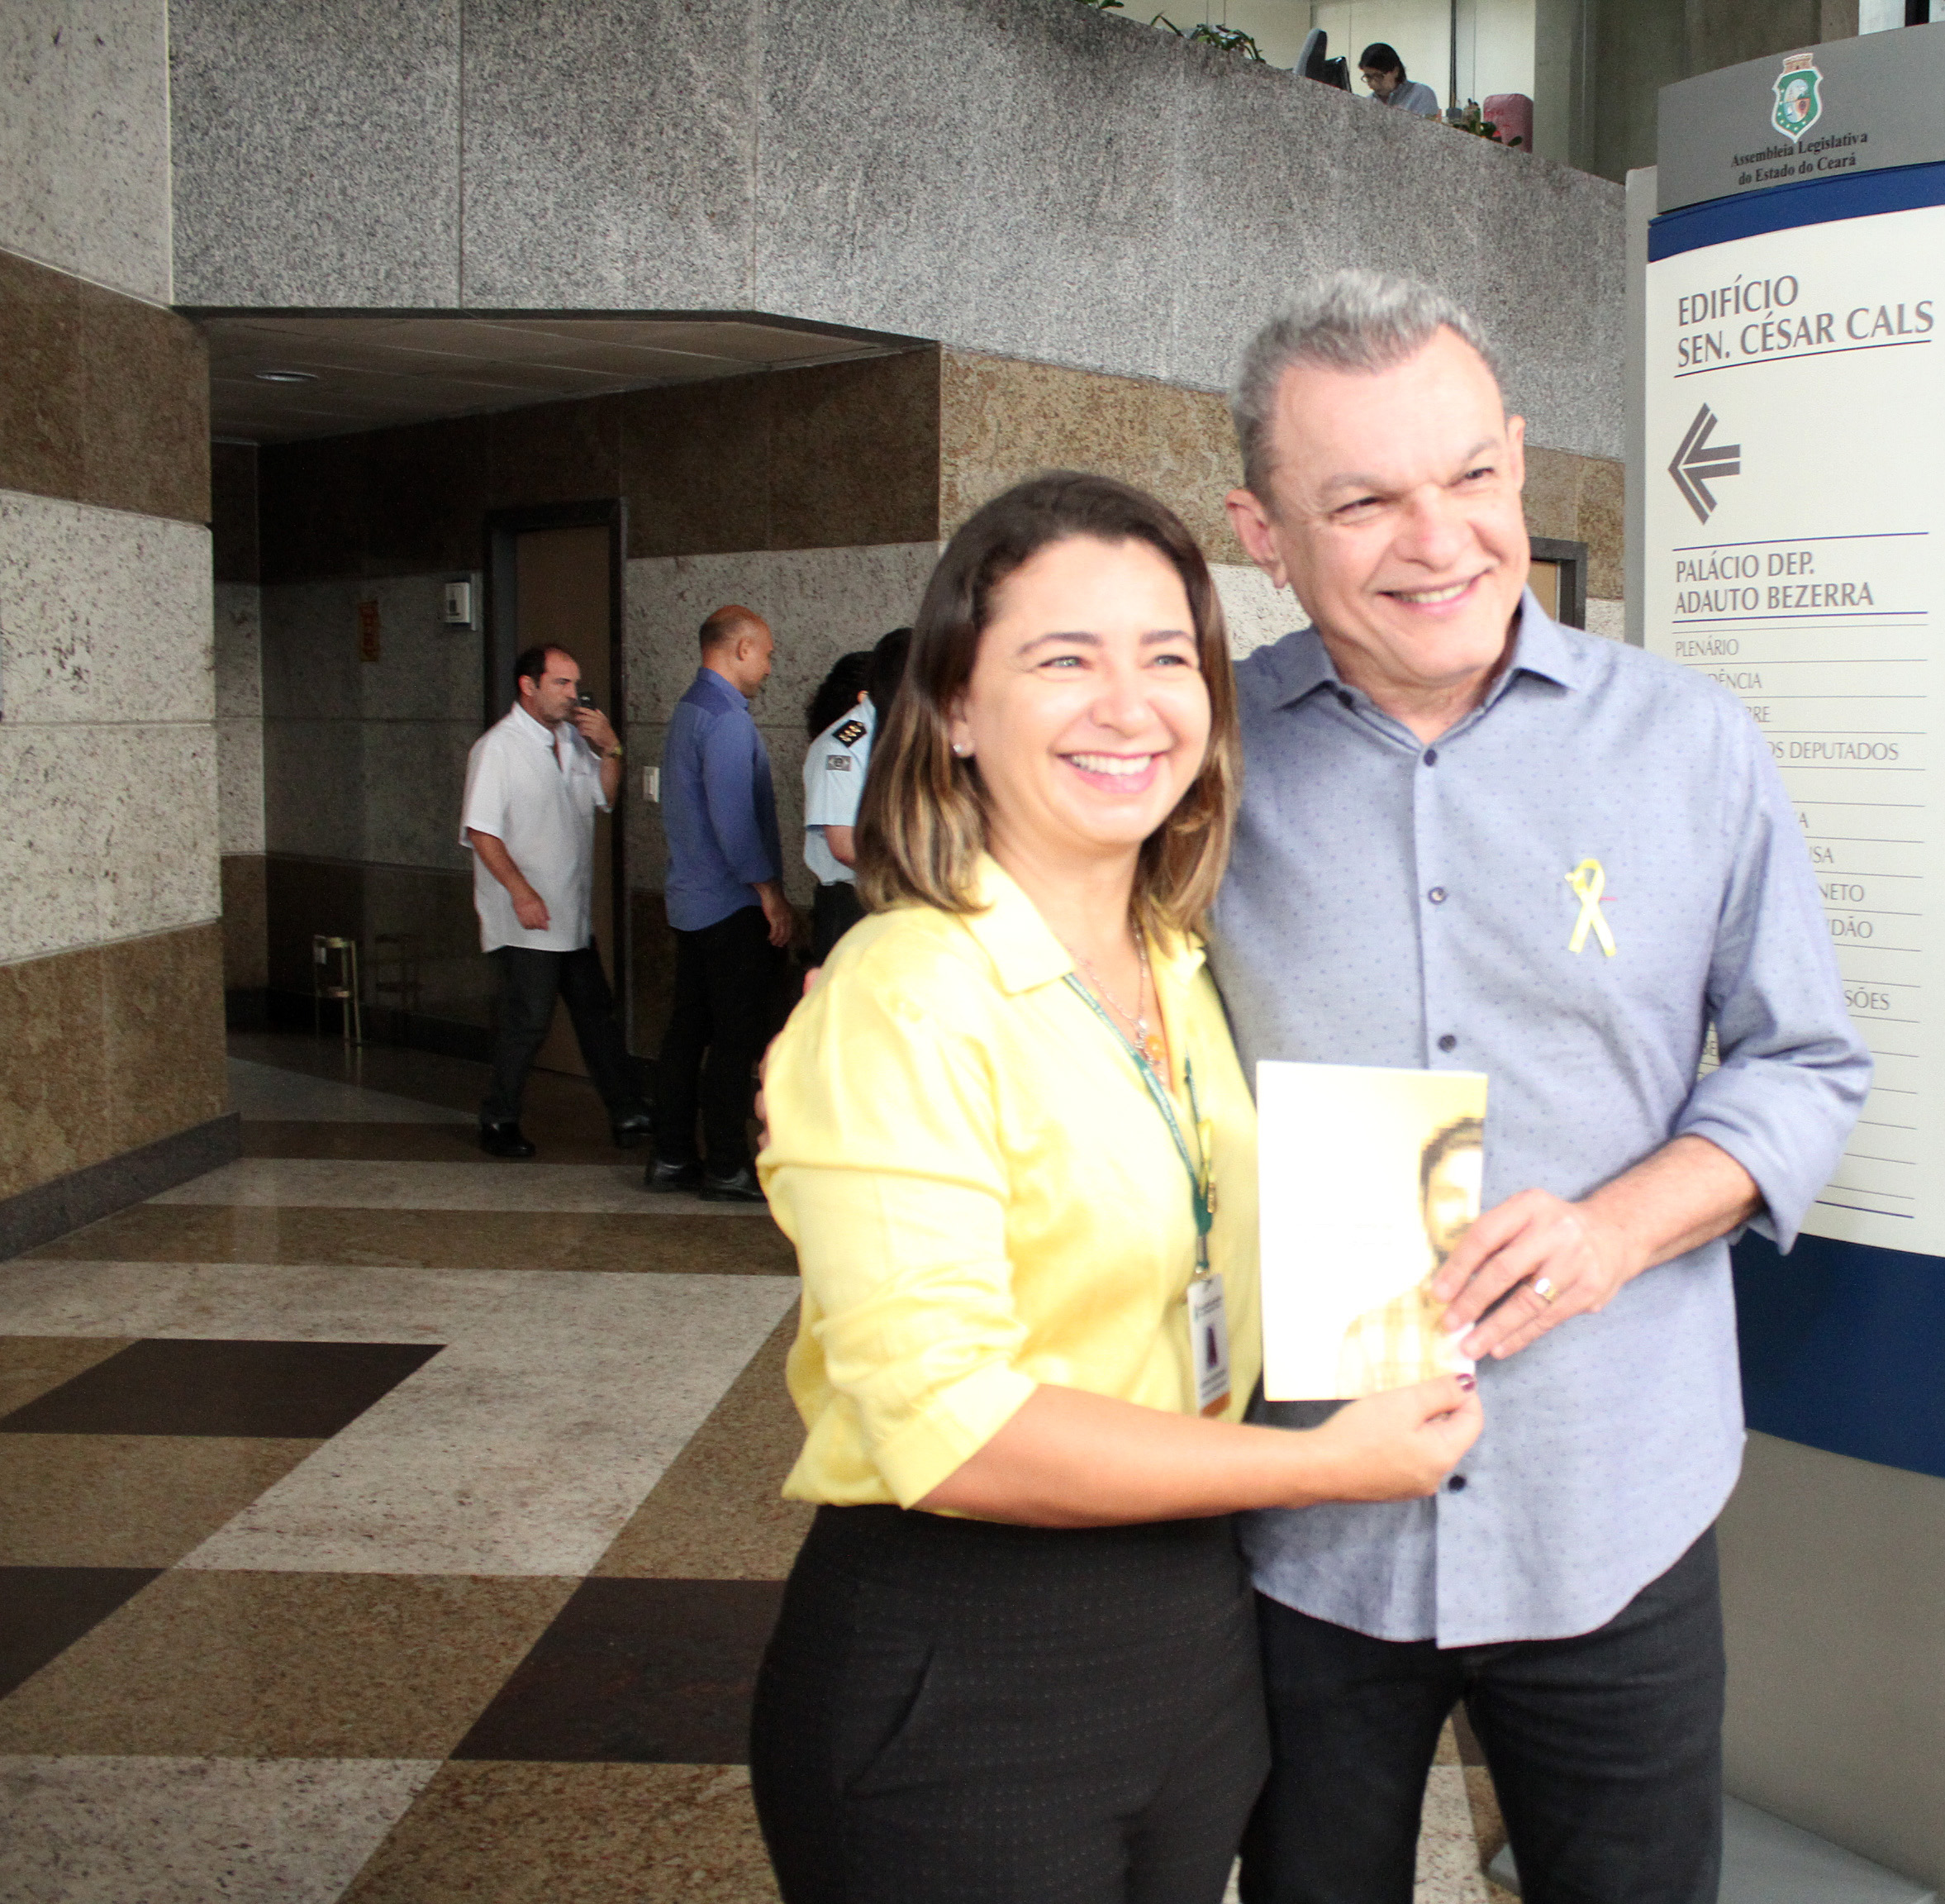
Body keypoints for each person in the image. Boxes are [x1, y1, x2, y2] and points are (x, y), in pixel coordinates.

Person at [1212, 272, 1871, 1904]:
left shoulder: (1690, 746)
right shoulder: (1200, 765)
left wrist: (1619, 1228)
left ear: (1517, 459)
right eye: (1363, 499)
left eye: (1470, 475)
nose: (1438, 539)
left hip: (1609, 1506)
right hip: (1303, 1515)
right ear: (1262, 531)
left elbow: (1805, 1062)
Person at [747, 473, 1483, 1904]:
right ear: (955, 707)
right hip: (968, 1662)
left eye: (1166, 656)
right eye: (1064, 659)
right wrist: (1328, 1466)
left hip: (1194, 1646)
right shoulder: (907, 990)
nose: (1129, 705)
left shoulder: (1184, 964)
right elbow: (951, 1430)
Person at [459, 645, 649, 1158]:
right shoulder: (498, 748)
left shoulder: (572, 740)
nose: (573, 694)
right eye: (561, 683)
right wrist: (520, 891)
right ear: (529, 686)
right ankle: (498, 1118)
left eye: (575, 684)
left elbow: (604, 798)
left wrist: (611, 749)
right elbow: (481, 832)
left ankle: (628, 1110)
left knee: (596, 1013)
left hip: (571, 911)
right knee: (530, 1019)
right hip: (527, 916)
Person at [649, 604, 792, 1202]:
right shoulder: (728, 721)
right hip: (731, 906)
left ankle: (672, 1155)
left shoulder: (689, 711)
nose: (769, 667)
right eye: (767, 654)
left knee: (687, 1032)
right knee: (736, 1037)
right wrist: (769, 893)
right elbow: (735, 823)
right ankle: (728, 1165)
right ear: (741, 649)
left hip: (690, 900)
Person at [1335, 1116, 1481, 1395]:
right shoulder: (1368, 1337)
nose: (1470, 1214)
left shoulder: (1547, 1316)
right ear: (1423, 1204)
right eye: (1451, 1195)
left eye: (1484, 1196)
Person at [799, 645, 878, 965]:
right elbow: (844, 847)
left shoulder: (873, 742)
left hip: (871, 897)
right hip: (849, 901)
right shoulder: (842, 747)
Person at [1356, 42, 1439, 117]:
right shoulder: (1368, 102)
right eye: (1368, 77)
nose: (1373, 84)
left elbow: (1427, 128)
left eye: (1379, 76)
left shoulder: (1420, 94)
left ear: (1395, 71)